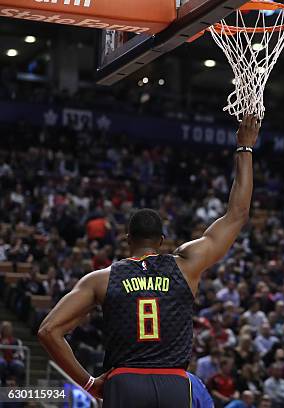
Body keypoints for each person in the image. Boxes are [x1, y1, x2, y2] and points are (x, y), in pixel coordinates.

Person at [37, 115, 261, 406]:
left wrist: (90, 383)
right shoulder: (185, 266)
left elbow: (48, 331)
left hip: (126, 381)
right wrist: (245, 147)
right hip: (174, 383)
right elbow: (238, 214)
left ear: (127, 238)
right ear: (162, 240)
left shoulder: (102, 279)